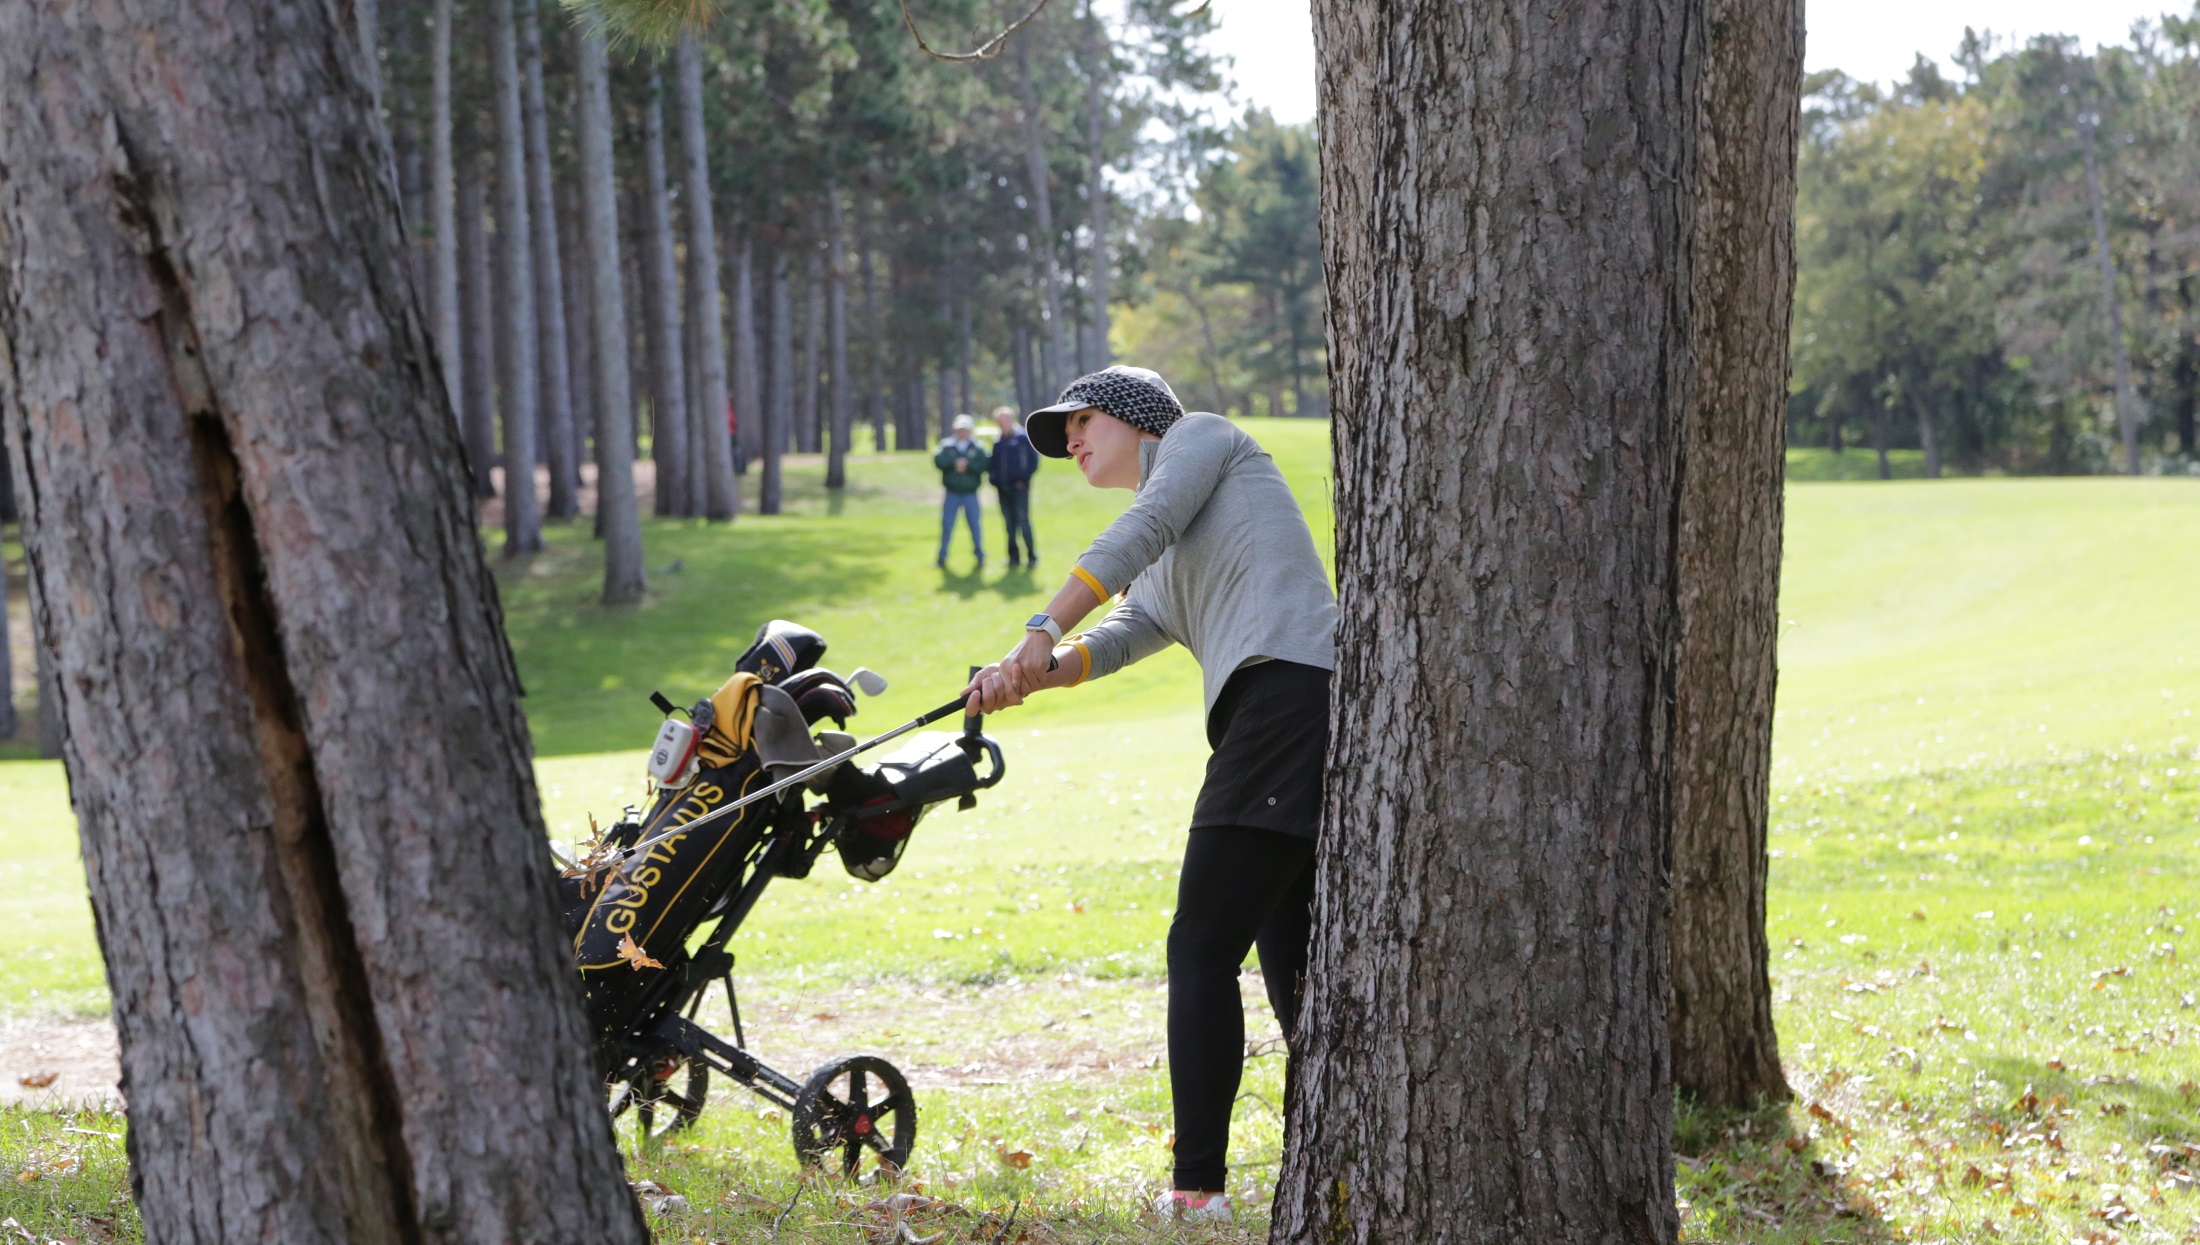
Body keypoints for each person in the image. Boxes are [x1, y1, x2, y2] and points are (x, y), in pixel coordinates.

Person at [962, 365, 1335, 1223]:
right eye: (1063, 435)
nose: (1073, 442)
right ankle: (1332, 1159)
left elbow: (1143, 526)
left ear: (1138, 418)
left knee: (1200, 945)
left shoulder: (1205, 438)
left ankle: (1197, 1190)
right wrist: (1029, 675)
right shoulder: (1168, 551)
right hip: (1291, 713)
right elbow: (1127, 632)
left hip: (1285, 701)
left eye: (1083, 421)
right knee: (1301, 977)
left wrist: (1041, 625)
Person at [987, 404, 1040, 568]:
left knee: (1023, 520)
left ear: (1011, 420)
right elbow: (993, 464)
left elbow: (1033, 461)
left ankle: (1031, 557)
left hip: (1020, 488)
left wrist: (1023, 479)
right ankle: (1013, 558)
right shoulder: (997, 441)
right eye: (999, 421)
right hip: (1002, 489)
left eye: (1004, 420)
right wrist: (994, 480)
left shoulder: (1022, 438)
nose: (1002, 424)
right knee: (1009, 524)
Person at [933, 414, 988, 569]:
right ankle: (941, 557)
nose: (962, 432)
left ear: (970, 430)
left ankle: (980, 557)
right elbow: (938, 460)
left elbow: (984, 464)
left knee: (975, 526)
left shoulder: (977, 447)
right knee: (947, 525)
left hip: (970, 493)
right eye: (959, 429)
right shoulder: (947, 445)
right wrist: (954, 463)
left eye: (965, 429)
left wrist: (967, 465)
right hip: (952, 493)